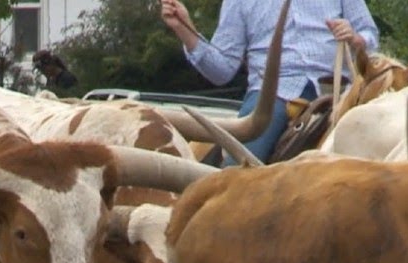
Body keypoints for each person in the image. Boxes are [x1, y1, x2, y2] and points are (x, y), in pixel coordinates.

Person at [160, 0, 379, 164]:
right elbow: (222, 70)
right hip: (274, 94)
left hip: (343, 88)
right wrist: (184, 29)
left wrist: (356, 38)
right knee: (242, 166)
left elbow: (370, 35)